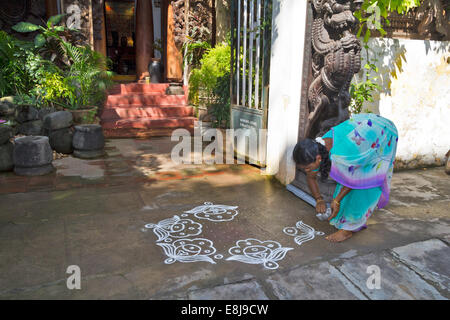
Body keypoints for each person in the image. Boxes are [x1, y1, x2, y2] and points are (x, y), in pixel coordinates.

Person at [292, 113, 398, 242]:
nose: (306, 170)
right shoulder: (317, 148)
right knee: (345, 190)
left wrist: (336, 200)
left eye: (307, 167)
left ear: (318, 159)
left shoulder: (341, 155)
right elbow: (311, 175)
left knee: (367, 183)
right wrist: (319, 199)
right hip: (364, 131)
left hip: (382, 133)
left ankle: (348, 230)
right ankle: (353, 221)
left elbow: (354, 179)